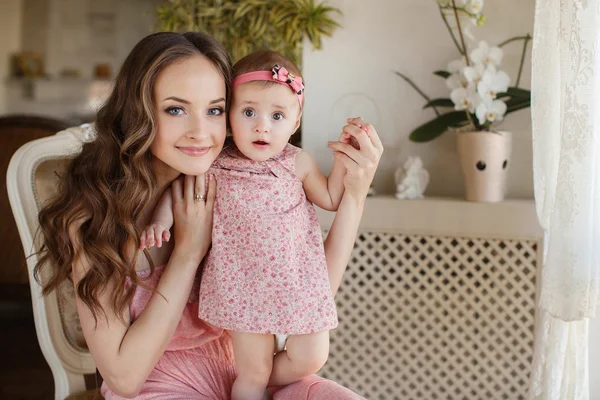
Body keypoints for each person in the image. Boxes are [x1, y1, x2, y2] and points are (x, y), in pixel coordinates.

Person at [34, 31, 383, 399]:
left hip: (247, 374)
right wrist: (188, 251)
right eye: (175, 109)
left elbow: (311, 294)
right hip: (158, 386)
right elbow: (124, 377)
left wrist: (354, 198)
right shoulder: (96, 218)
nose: (201, 133)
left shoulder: (237, 188)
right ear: (139, 112)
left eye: (214, 109)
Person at [140, 50, 366, 399]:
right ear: (229, 116)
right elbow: (180, 191)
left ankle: (255, 381)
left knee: (312, 356)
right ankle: (248, 387)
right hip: (242, 289)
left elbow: (333, 199)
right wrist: (160, 219)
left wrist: (343, 161)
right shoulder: (217, 163)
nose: (262, 125)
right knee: (253, 373)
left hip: (295, 284)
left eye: (277, 115)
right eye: (249, 112)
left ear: (295, 122)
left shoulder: (297, 162)